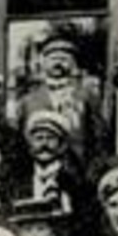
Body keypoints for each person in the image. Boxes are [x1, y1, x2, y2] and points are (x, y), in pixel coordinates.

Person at [5, 112, 100, 236]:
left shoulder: (78, 185)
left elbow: (88, 231)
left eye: (51, 138)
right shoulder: (16, 182)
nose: (44, 144)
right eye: (38, 139)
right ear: (30, 145)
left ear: (62, 144)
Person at [15, 36, 109, 167]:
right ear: (44, 63)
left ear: (73, 64)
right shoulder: (28, 101)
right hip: (39, 172)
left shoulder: (85, 97)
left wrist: (94, 171)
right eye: (53, 59)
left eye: (64, 59)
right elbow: (20, 143)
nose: (58, 64)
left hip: (78, 174)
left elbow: (100, 138)